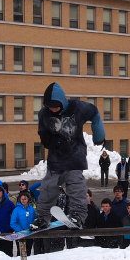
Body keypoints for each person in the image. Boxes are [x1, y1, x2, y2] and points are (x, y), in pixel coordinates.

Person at [30, 81, 106, 232]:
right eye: (50, 107)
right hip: (56, 157)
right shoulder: (44, 114)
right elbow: (42, 132)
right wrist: (46, 139)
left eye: (56, 107)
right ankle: (42, 217)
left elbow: (95, 112)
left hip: (75, 155)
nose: (53, 110)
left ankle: (78, 215)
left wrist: (99, 135)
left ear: (63, 103)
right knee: (48, 188)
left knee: (75, 185)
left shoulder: (77, 108)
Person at [10, 190, 37, 255]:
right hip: (20, 235)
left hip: (30, 234)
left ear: (28, 199)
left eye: (25, 199)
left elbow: (35, 220)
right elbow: (12, 223)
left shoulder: (32, 209)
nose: (23, 200)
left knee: (28, 252)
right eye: (22, 199)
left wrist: (34, 226)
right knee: (21, 253)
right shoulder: (16, 209)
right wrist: (21, 230)